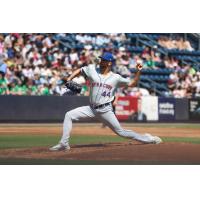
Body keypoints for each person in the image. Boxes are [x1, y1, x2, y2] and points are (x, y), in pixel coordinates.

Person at [49, 52, 162, 151]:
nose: (101, 61)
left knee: (121, 132)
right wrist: (69, 79)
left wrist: (138, 72)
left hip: (106, 110)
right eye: (101, 59)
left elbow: (132, 83)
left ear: (109, 63)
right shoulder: (92, 70)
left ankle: (148, 139)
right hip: (91, 109)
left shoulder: (116, 78)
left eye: (103, 60)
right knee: (69, 115)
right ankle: (64, 143)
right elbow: (80, 70)